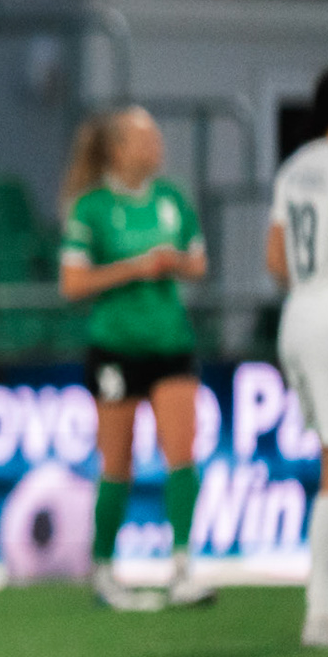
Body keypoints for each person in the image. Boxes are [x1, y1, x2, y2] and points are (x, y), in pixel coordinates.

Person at [58, 105, 212, 610]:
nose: (157, 148)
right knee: (117, 461)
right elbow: (74, 283)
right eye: (146, 140)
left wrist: (175, 265)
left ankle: (183, 567)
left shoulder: (172, 199)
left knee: (181, 451)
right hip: (116, 348)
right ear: (119, 148)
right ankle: (103, 569)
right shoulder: (92, 208)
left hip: (170, 341)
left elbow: (198, 263)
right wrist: (134, 268)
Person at [267, 66, 328, 649]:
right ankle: (325, 613)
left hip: (299, 313)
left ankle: (326, 609)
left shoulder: (295, 166)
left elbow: (276, 259)